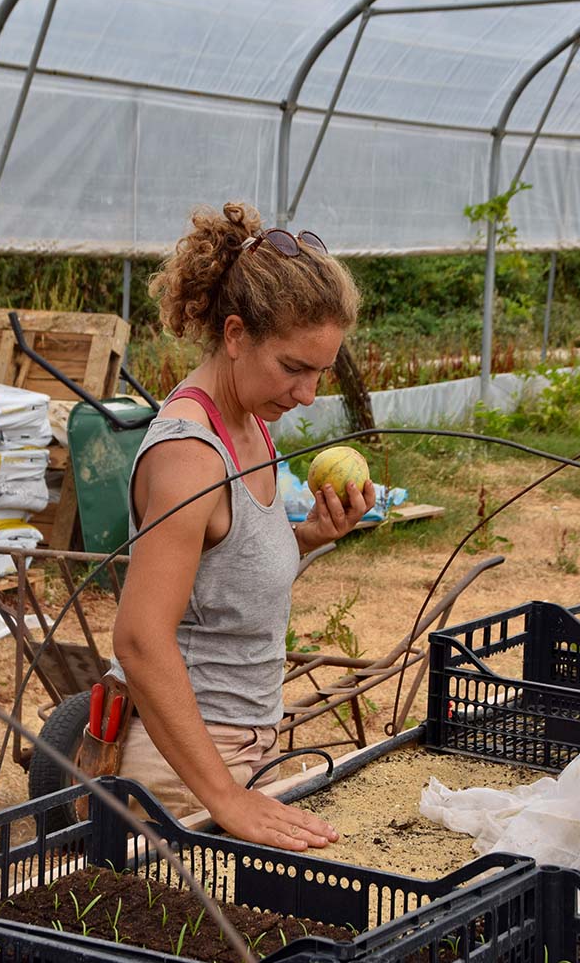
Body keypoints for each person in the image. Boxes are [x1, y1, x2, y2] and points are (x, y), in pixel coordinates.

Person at [110, 201, 376, 852]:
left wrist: (310, 534)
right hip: (186, 774)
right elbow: (140, 639)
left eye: (322, 370)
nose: (309, 393)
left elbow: (222, 571)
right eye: (294, 368)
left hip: (251, 746)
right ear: (235, 335)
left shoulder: (251, 423)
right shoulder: (188, 457)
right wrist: (225, 796)